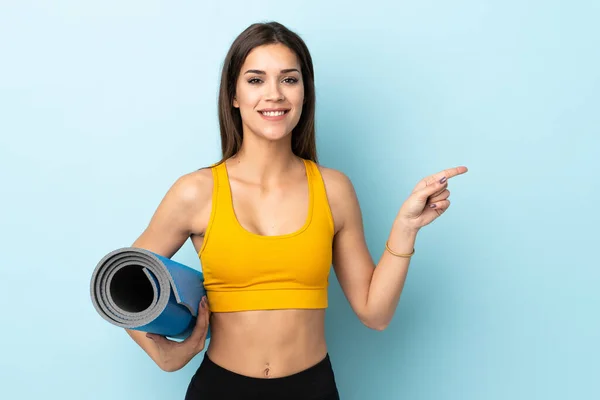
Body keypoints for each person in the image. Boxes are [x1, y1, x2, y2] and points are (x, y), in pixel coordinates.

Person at [126, 21, 467, 399]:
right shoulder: (196, 191)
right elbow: (121, 284)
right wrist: (166, 353)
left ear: (305, 93)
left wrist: (406, 228)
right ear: (234, 95)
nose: (274, 94)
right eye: (256, 80)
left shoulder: (334, 189)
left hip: (312, 388)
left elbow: (375, 313)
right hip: (219, 388)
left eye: (289, 80)